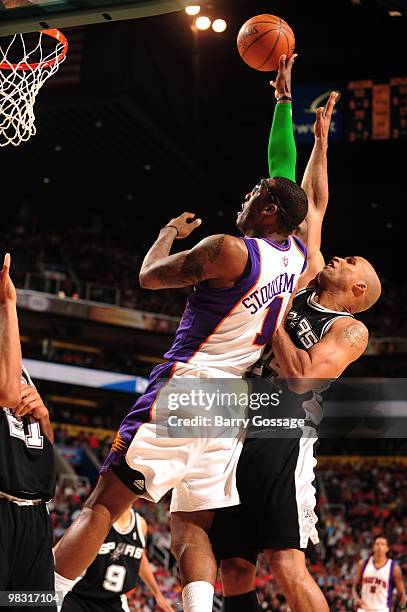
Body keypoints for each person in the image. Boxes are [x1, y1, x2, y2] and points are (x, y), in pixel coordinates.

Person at [54, 55, 309, 612]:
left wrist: (168, 232)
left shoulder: (227, 249)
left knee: (101, 504)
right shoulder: (295, 252)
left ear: (267, 209)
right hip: (231, 405)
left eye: (252, 195)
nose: (244, 199)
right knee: (191, 525)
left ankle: (33, 601)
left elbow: (148, 277)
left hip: (189, 386)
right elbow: (285, 168)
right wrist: (284, 102)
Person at [210, 80, 382, 611]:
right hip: (238, 411)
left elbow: (303, 377)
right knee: (234, 563)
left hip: (284, 424)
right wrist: (321, 144)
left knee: (285, 560)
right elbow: (314, 204)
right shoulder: (305, 275)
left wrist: (276, 316)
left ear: (357, 292)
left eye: (352, 262)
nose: (341, 257)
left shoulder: (350, 330)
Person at [0, 255, 57, 609]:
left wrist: (44, 416)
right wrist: (9, 303)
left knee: (30, 606)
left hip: (34, 518)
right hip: (3, 510)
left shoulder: (18, 369)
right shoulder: (8, 375)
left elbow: (41, 445)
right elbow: (6, 393)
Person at [61, 504, 173, 612]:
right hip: (80, 595)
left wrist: (158, 594)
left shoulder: (140, 524)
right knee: (46, 604)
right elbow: (64, 548)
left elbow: (140, 559)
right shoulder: (99, 517)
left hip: (113, 600)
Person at [352, 537, 406, 611]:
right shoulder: (363, 564)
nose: (379, 546)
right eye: (377, 544)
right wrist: (355, 598)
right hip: (363, 609)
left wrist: (403, 609)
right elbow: (355, 586)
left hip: (382, 609)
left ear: (387, 549)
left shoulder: (394, 568)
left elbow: (402, 594)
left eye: (383, 544)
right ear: (373, 547)